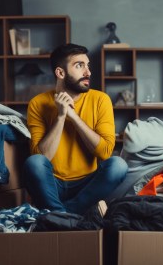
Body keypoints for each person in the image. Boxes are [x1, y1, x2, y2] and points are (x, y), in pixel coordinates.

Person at [23, 43, 128, 215]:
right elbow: (41, 159)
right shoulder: (38, 103)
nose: (88, 72)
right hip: (52, 183)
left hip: (87, 185)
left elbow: (105, 153)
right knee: (33, 163)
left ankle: (61, 215)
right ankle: (68, 215)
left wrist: (74, 117)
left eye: (88, 66)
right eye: (79, 66)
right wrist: (61, 116)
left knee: (118, 165)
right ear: (60, 73)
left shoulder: (100, 100)